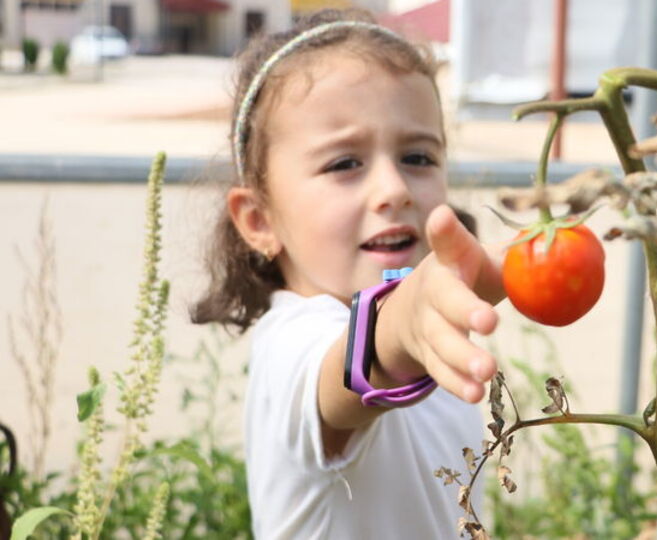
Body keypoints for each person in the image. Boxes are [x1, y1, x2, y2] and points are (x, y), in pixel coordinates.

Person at [191, 9, 505, 539]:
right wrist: (402, 327)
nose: (394, 188)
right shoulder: (292, 343)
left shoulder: (437, 336)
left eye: (417, 156)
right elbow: (350, 379)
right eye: (344, 164)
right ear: (260, 221)